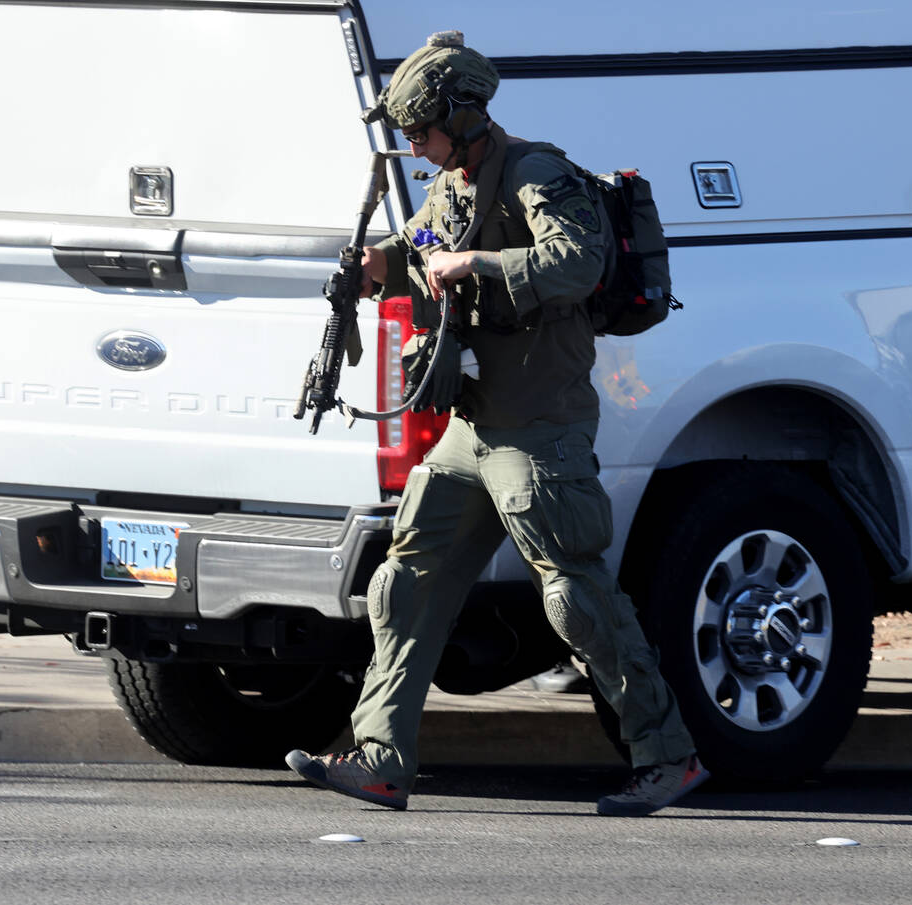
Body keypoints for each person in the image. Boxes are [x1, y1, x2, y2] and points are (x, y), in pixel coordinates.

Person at [286, 31, 707, 817]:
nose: (414, 147)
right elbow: (421, 250)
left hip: (539, 424)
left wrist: (474, 267)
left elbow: (577, 261)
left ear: (464, 116)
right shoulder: (450, 185)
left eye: (423, 130)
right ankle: (381, 757)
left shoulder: (537, 173)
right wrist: (381, 266)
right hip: (472, 428)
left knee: (576, 597)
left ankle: (668, 755)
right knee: (403, 584)